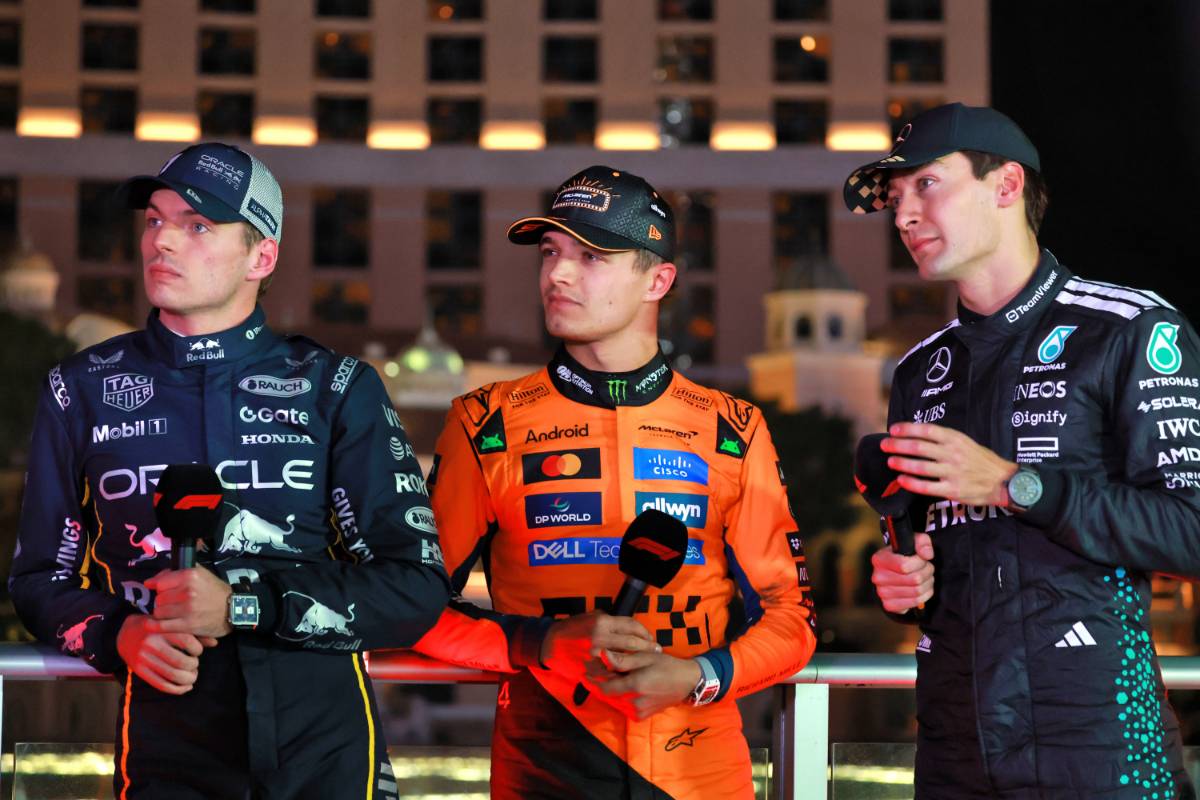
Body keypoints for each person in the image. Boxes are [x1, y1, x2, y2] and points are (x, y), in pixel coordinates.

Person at [8, 142, 451, 799]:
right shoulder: (80, 387)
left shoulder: (337, 386)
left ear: (261, 257)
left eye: (197, 226)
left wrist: (244, 606)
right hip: (166, 745)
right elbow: (37, 580)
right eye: (154, 220)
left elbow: (414, 587)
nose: (162, 241)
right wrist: (118, 633)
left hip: (325, 746)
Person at [411, 165, 817, 799]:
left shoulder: (732, 427)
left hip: (701, 776)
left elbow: (793, 618)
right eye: (551, 253)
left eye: (592, 257)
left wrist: (698, 676)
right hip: (544, 772)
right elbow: (412, 607)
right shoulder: (483, 421)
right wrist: (542, 642)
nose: (558, 274)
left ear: (658, 280)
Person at [852, 102, 1200, 798]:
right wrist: (904, 585)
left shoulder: (1131, 328)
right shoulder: (918, 372)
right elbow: (927, 558)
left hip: (1102, 750)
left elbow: (1191, 531)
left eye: (926, 185)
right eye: (895, 198)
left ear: (1007, 185)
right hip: (952, 751)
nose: (904, 215)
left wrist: (1016, 485)